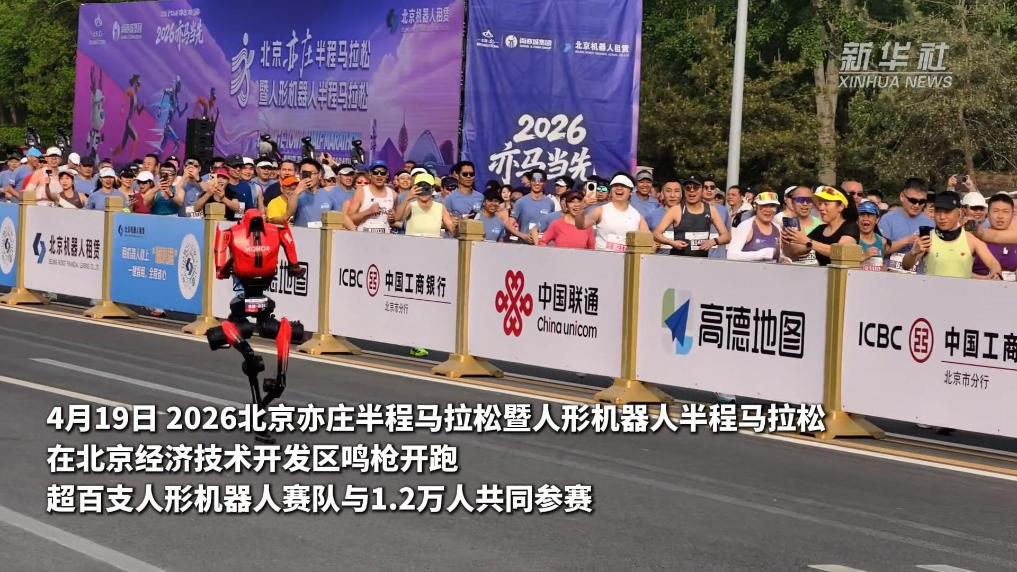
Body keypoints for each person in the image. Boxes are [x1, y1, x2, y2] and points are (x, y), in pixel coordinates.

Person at [903, 191, 1000, 279]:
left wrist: (993, 277)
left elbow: (995, 265)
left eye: (947, 212)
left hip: (962, 292)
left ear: (959, 213)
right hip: (932, 291)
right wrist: (913, 253)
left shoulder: (970, 239)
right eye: (938, 211)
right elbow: (906, 266)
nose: (942, 217)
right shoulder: (928, 237)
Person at [652, 175, 730, 257]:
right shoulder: (676, 210)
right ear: (684, 191)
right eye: (688, 188)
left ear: (702, 190)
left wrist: (713, 241)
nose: (691, 191)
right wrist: (671, 242)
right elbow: (656, 234)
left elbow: (726, 236)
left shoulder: (711, 210)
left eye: (695, 188)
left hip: (701, 261)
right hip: (679, 260)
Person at [782, 185, 859, 266]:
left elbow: (841, 252)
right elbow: (795, 252)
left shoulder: (851, 227)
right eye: (820, 203)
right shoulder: (820, 229)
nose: (821, 208)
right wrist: (789, 240)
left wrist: (807, 241)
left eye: (826, 204)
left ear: (841, 206)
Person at [575, 172, 649, 252]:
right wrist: (581, 208)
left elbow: (648, 241)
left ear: (630, 192)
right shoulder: (600, 210)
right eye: (615, 185)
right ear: (611, 190)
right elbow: (580, 225)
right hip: (602, 257)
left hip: (626, 258)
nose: (619, 188)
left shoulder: (637, 216)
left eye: (623, 186)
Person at [878, 178, 934, 273]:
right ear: (902, 197)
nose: (916, 205)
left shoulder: (930, 223)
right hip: (891, 276)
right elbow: (879, 250)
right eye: (912, 200)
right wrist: (907, 241)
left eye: (921, 202)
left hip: (918, 277)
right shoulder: (887, 219)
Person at [395, 173, 456, 238]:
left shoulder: (440, 208)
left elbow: (452, 229)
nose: (423, 192)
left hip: (434, 243)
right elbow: (397, 218)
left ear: (433, 189)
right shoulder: (411, 206)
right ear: (415, 188)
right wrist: (408, 198)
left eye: (426, 188)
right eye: (420, 188)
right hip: (412, 243)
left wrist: (457, 225)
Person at [726, 192, 781, 262]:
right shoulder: (746, 226)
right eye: (764, 206)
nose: (768, 210)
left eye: (772, 206)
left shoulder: (777, 227)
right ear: (756, 207)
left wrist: (782, 258)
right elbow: (731, 255)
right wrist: (763, 254)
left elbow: (779, 253)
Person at [972, 193, 1017, 280]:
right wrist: (984, 278)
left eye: (1005, 212)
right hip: (979, 286)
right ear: (988, 215)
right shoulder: (974, 238)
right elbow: (961, 269)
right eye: (996, 211)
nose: (1000, 216)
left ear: (1012, 215)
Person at [347, 160, 396, 233]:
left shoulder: (393, 194)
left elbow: (393, 220)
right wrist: (368, 211)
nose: (379, 175)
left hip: (385, 237)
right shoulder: (361, 191)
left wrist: (392, 218)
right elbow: (351, 218)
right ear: (370, 174)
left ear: (387, 175)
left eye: (382, 173)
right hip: (364, 236)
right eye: (375, 172)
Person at [645, 181, 682, 254]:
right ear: (662, 194)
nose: (672, 195)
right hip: (657, 258)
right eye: (668, 191)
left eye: (676, 191)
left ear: (681, 194)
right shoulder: (651, 216)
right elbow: (643, 240)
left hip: (683, 258)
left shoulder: (688, 214)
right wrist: (651, 244)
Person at [857, 200, 890, 271]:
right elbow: (846, 264)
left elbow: (881, 265)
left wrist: (884, 268)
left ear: (877, 219)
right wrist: (865, 256)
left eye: (870, 215)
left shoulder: (882, 241)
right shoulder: (852, 239)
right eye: (862, 214)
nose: (865, 218)